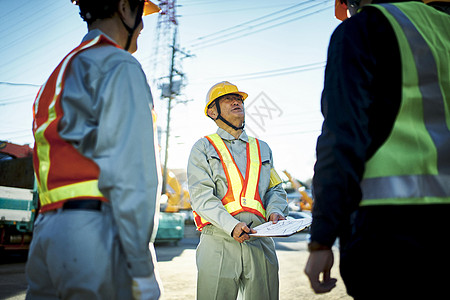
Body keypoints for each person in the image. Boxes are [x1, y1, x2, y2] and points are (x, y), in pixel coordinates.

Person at [304, 0, 450, 299]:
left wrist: (321, 238)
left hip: (391, 233)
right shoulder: (442, 27)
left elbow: (342, 138)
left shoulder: (361, 29)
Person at [26, 1, 163, 299]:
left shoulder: (60, 72)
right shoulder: (118, 64)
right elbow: (133, 174)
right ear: (125, 8)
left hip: (46, 233)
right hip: (95, 235)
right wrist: (142, 267)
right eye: (141, 16)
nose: (141, 27)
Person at [187, 81, 289, 300]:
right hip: (218, 240)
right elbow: (201, 196)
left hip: (260, 239)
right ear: (212, 112)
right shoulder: (203, 147)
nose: (236, 101)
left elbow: (275, 189)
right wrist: (231, 226)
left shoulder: (262, 148)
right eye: (227, 99)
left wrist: (276, 210)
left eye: (239, 99)